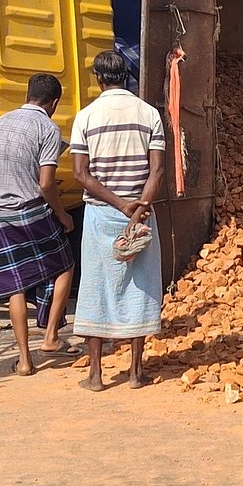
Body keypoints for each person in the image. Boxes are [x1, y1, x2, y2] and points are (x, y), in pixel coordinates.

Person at [70, 51, 166, 391]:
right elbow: (157, 170)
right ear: (126, 76)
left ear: (99, 78)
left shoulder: (85, 117)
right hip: (140, 215)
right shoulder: (149, 114)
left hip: (100, 215)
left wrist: (120, 204)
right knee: (140, 288)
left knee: (97, 289)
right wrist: (139, 206)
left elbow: (81, 173)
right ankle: (136, 373)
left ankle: (95, 375)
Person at [0, 73, 81, 377]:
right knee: (64, 264)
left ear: (27, 95)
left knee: (16, 285)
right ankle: (51, 335)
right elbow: (46, 182)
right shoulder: (47, 128)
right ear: (54, 103)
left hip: (0, 212)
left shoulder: (0, 122)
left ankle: (25, 360)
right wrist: (63, 214)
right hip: (32, 211)